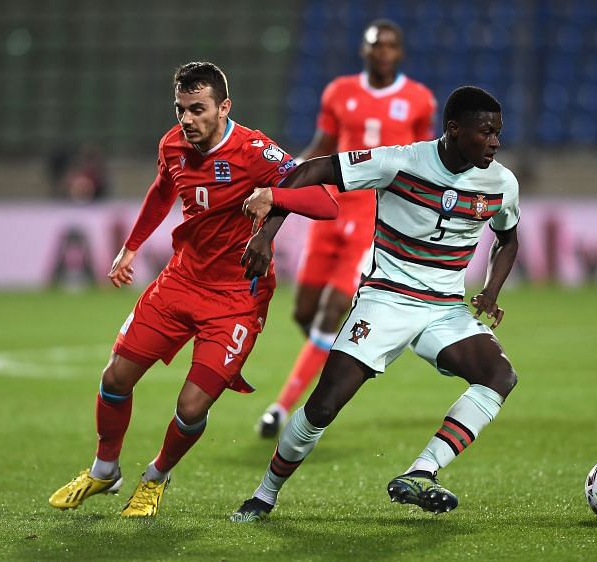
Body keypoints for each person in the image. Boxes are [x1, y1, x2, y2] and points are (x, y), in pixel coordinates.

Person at [48, 61, 338, 518]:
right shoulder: (172, 144)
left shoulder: (256, 151)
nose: (187, 119)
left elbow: (326, 201)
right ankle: (105, 470)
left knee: (190, 405)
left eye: (198, 109)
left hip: (237, 299)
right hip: (180, 281)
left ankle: (156, 476)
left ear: (224, 107)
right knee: (114, 377)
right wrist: (131, 247)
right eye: (181, 108)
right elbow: (163, 190)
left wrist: (274, 197)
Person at [231, 86, 519, 521]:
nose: (495, 142)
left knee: (499, 375)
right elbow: (311, 171)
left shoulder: (500, 183)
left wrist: (491, 289)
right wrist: (266, 234)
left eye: (498, 133)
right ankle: (264, 494)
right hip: (386, 300)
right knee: (323, 405)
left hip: (444, 308)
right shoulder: (400, 162)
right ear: (454, 129)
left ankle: (422, 471)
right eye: (486, 132)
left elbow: (509, 238)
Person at [257, 19, 437, 438]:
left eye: (390, 45)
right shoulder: (340, 93)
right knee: (303, 311)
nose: (383, 52)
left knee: (330, 311)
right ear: (364, 50)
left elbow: (425, 161)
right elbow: (322, 147)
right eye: (376, 45)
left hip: (373, 221)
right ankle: (339, 353)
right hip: (329, 212)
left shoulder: (418, 100)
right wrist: (286, 175)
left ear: (400, 52)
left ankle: (282, 410)